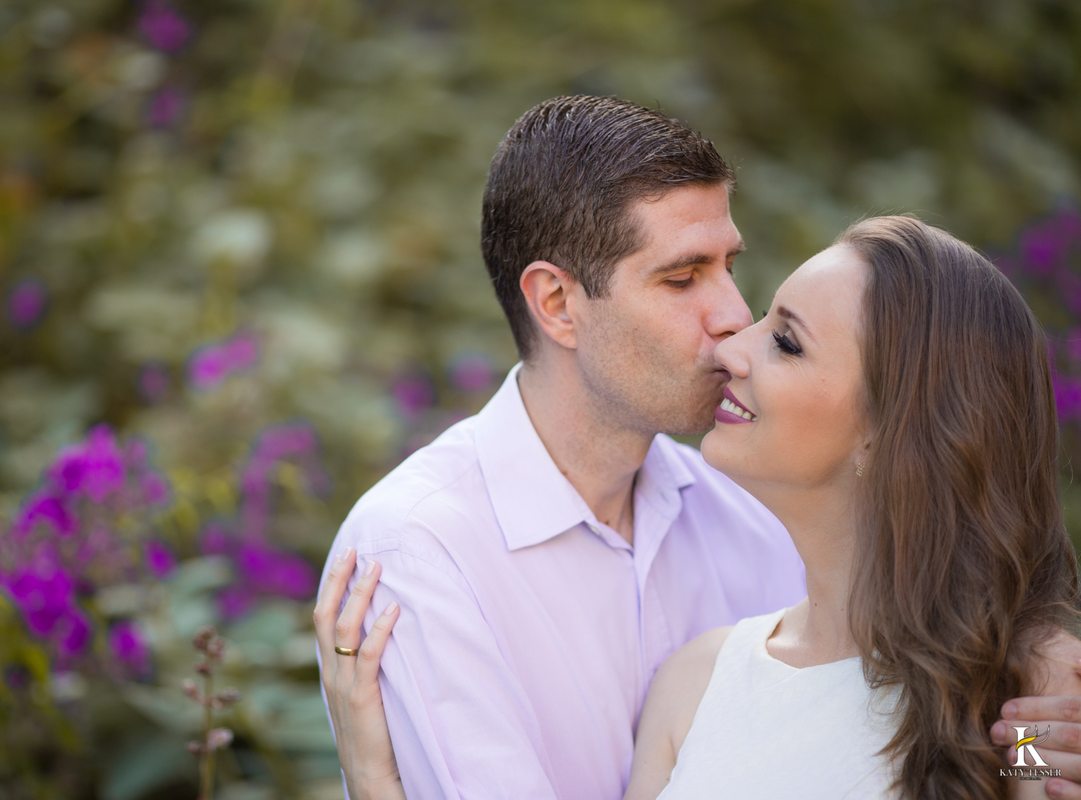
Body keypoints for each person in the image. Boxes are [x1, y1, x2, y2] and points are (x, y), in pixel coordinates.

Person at [314, 95, 1081, 798]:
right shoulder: (421, 553)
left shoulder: (768, 518)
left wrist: (1036, 753)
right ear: (557, 303)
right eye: (683, 278)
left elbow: (1025, 765)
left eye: (729, 268)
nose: (733, 320)